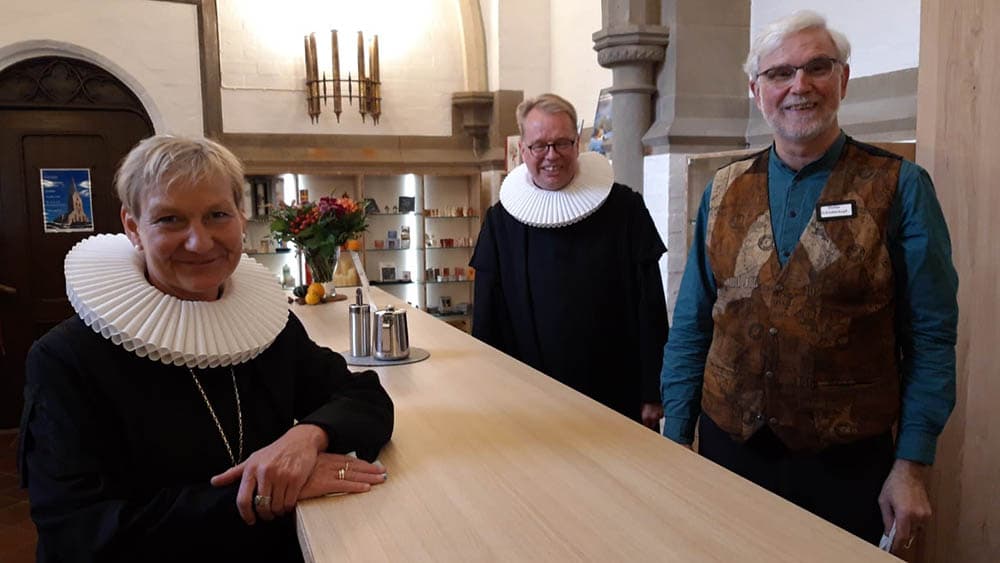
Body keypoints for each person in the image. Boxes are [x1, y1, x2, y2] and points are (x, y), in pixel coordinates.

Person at [660, 10, 958, 554]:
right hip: (732, 449)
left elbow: (931, 338)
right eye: (780, 74)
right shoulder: (723, 189)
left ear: (842, 80)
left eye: (817, 67)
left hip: (846, 465)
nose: (800, 85)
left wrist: (913, 464)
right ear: (756, 91)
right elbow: (692, 323)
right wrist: (675, 434)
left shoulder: (901, 187)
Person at [18, 135, 394, 562]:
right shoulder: (66, 358)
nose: (199, 242)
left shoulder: (268, 326)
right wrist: (260, 494)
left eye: (217, 215)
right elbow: (79, 534)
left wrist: (307, 437)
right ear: (132, 227)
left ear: (241, 216)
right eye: (170, 220)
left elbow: (364, 397)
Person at [471, 93, 668, 429]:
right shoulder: (501, 222)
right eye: (540, 146)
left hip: (614, 390)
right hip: (529, 396)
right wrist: (491, 391)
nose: (552, 156)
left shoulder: (625, 209)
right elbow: (489, 317)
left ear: (578, 143)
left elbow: (649, 305)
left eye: (562, 143)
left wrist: (654, 391)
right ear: (523, 150)